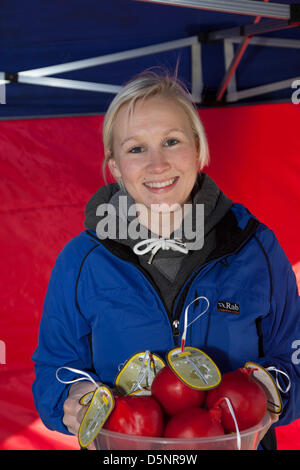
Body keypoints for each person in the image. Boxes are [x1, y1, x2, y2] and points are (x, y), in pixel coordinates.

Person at [32, 69, 300, 450]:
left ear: (198, 148)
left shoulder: (257, 248)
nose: (157, 165)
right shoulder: (80, 262)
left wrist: (270, 391)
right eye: (136, 149)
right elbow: (52, 373)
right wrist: (71, 401)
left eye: (171, 141)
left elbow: (295, 355)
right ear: (115, 165)